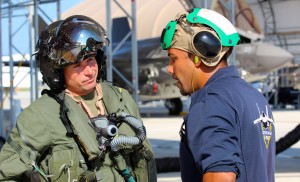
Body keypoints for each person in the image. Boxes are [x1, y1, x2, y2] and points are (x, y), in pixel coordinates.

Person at [0, 15, 157, 182]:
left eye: (90, 60)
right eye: (77, 66)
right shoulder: (40, 115)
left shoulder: (121, 99)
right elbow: (6, 174)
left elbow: (146, 163)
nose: (89, 71)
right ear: (58, 72)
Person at [160, 8, 275, 182]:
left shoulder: (211, 102)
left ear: (199, 57)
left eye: (173, 58)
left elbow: (220, 175)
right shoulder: (254, 97)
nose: (169, 68)